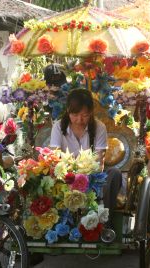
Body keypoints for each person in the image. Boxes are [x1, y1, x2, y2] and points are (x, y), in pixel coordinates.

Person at [50, 88, 122, 228]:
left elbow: (99, 160)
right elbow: (55, 156)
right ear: (68, 111)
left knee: (114, 174)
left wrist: (84, 178)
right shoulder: (58, 127)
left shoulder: (99, 127)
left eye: (85, 115)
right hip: (66, 177)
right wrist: (71, 177)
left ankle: (104, 222)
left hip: (92, 177)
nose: (79, 120)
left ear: (91, 112)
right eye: (75, 115)